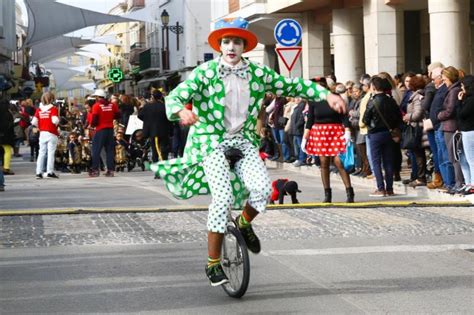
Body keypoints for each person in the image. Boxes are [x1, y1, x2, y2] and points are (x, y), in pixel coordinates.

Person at [149, 17, 344, 286]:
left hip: (242, 140)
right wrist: (181, 110)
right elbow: (176, 96)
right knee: (223, 196)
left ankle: (243, 223)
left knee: (263, 190)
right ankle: (213, 262)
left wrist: (326, 95)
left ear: (244, 46)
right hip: (211, 140)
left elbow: (292, 85)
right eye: (226, 41)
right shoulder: (205, 72)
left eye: (237, 42)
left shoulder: (257, 73)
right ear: (220, 45)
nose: (231, 47)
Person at [303, 77, 355, 203]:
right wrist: (305, 138)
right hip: (320, 132)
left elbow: (344, 115)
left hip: (336, 131)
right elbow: (310, 120)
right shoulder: (313, 100)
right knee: (324, 162)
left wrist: (347, 130)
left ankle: (349, 192)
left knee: (339, 161)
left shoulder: (335, 96)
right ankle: (327, 194)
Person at [363, 76, 403, 196]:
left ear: (374, 87)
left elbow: (365, 119)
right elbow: (398, 116)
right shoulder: (391, 100)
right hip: (389, 133)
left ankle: (381, 188)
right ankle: (390, 188)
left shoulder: (372, 101)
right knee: (388, 161)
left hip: (375, 134)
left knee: (376, 162)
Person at [88, 89, 120, 177]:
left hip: (100, 130)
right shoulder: (112, 105)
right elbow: (118, 115)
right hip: (110, 130)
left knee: (96, 150)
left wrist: (93, 125)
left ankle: (95, 170)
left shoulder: (96, 106)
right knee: (109, 150)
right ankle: (110, 170)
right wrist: (109, 117)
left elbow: (94, 120)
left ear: (98, 97)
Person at [138, 88, 172, 166]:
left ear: (153, 97)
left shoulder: (147, 106)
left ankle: (157, 169)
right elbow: (170, 118)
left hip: (152, 131)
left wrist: (148, 121)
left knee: (155, 150)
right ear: (160, 97)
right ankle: (164, 165)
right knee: (164, 150)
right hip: (164, 131)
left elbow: (140, 116)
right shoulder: (165, 106)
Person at [32, 92, 60, 179]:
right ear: (52, 99)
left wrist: (40, 125)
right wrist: (58, 121)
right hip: (51, 133)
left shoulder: (39, 110)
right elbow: (55, 120)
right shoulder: (53, 109)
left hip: (42, 133)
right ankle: (49, 172)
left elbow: (33, 122)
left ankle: (38, 172)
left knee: (41, 153)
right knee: (51, 153)